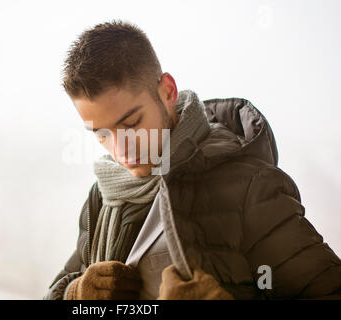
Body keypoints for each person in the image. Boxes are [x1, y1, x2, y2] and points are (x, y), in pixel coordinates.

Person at [44, 19, 341, 300]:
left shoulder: (250, 187)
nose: (121, 150)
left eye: (132, 123)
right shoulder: (103, 196)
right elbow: (57, 288)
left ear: (168, 91)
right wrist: (77, 293)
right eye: (102, 134)